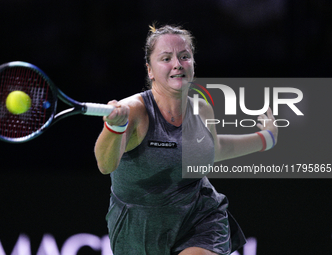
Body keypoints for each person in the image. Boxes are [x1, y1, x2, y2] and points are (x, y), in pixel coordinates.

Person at [94, 24, 278, 255]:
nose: (177, 64)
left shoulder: (202, 110)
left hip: (199, 217)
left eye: (184, 56)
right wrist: (115, 127)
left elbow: (215, 149)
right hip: (138, 228)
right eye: (166, 58)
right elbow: (106, 164)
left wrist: (266, 139)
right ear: (150, 70)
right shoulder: (135, 112)